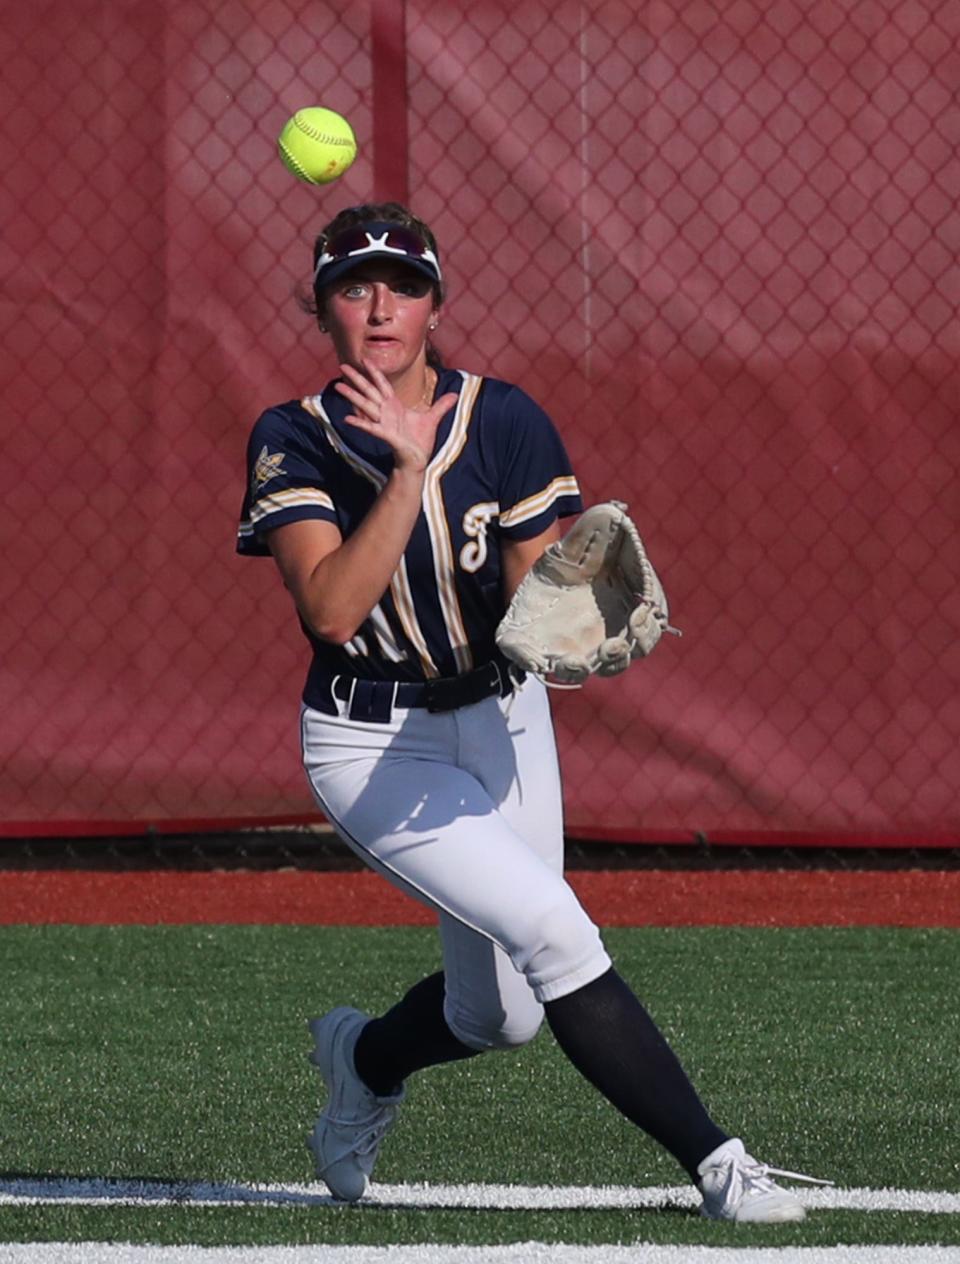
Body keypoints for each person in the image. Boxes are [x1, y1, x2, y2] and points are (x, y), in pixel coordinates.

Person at [237, 201, 822, 1222]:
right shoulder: (295, 436)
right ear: (323, 309)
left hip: (501, 721)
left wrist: (571, 631)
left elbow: (527, 611)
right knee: (554, 929)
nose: (381, 306)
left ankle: (364, 1058)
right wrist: (411, 472)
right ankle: (721, 1165)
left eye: (404, 285)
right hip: (373, 744)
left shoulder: (504, 419)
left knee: (500, 1014)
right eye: (354, 286)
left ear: (436, 303)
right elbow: (331, 607)